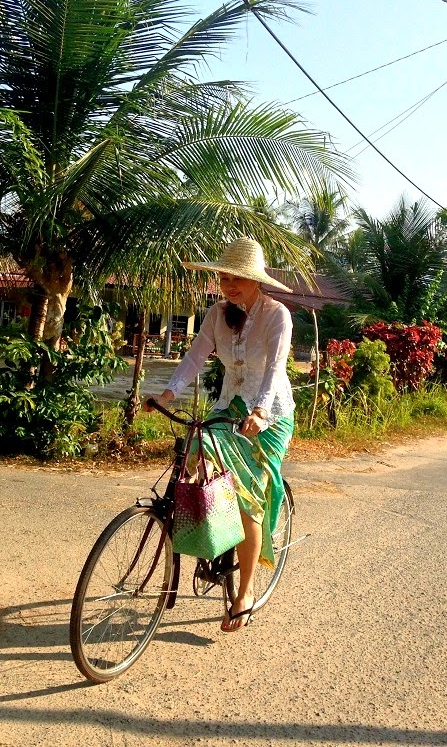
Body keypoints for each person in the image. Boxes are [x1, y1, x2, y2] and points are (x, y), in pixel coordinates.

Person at [145, 236, 295, 633]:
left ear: (256, 279)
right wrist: (168, 393)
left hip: (269, 416)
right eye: (224, 277)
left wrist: (261, 411)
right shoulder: (216, 314)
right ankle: (212, 534)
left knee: (247, 500)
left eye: (237, 278)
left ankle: (244, 592)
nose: (229, 285)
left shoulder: (277, 315)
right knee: (194, 456)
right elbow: (196, 355)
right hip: (229, 407)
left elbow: (276, 369)